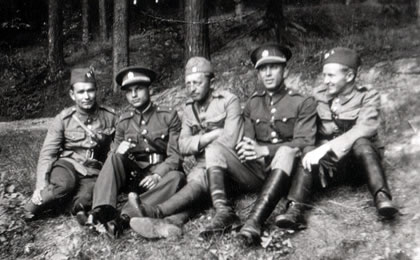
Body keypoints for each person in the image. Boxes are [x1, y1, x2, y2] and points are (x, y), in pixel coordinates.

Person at [199, 43, 317, 245]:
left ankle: (254, 221)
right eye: (263, 69)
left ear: (285, 71)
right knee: (214, 150)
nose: (268, 73)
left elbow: (304, 141)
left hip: (287, 174)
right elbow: (248, 139)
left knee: (287, 151)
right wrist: (247, 147)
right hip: (259, 171)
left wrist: (265, 150)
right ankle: (224, 212)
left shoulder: (302, 102)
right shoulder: (253, 103)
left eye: (274, 67)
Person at [275, 47, 398, 230]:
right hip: (330, 168)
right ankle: (295, 208)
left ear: (349, 76)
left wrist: (327, 147)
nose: (325, 81)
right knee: (309, 151)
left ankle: (381, 196)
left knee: (362, 143)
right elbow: (306, 124)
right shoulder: (318, 95)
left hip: (359, 166)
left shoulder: (368, 95)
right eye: (324, 75)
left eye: (331, 76)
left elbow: (366, 127)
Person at [128, 56, 244, 239]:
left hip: (231, 167)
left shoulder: (229, 101)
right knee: (198, 181)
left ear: (211, 82)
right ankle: (171, 223)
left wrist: (197, 142)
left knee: (199, 178)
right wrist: (211, 135)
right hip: (204, 171)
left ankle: (156, 212)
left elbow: (231, 139)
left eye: (197, 83)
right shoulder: (189, 109)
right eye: (188, 84)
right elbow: (182, 145)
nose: (192, 88)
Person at [87, 66, 185, 238]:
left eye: (138, 89)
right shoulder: (124, 121)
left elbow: (175, 155)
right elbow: (114, 158)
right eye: (129, 91)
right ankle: (101, 210)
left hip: (159, 177)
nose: (133, 95)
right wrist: (118, 151)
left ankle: (124, 216)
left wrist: (158, 176)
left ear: (150, 90)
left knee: (177, 177)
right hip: (134, 177)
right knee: (114, 158)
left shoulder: (168, 116)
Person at [25, 68, 117, 223]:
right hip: (68, 164)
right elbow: (48, 154)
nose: (86, 96)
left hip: (92, 170)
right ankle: (30, 208)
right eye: (81, 92)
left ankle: (64, 208)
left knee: (86, 197)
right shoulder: (63, 119)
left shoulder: (110, 117)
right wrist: (41, 185)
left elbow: (118, 147)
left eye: (90, 91)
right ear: (72, 95)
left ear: (96, 91)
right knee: (65, 184)